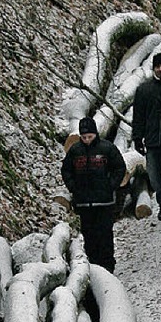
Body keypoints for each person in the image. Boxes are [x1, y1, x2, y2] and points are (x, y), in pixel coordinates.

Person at [62, 117, 126, 273]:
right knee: (89, 237)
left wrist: (110, 186)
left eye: (89, 137)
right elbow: (66, 170)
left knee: (105, 236)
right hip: (83, 203)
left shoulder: (107, 148)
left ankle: (108, 267)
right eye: (84, 137)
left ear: (95, 134)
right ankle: (94, 267)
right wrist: (73, 187)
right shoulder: (75, 150)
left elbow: (120, 168)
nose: (87, 140)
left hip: (104, 202)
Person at [132, 54, 161, 226]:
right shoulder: (144, 90)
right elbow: (138, 116)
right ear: (153, 68)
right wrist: (137, 137)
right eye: (157, 66)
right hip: (152, 141)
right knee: (154, 179)